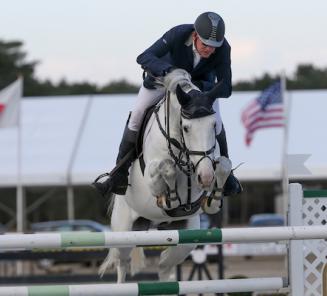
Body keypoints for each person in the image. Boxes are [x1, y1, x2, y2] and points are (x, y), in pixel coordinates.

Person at [93, 11, 242, 197]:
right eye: (206, 44)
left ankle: (227, 176)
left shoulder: (223, 48)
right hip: (163, 82)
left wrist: (202, 90)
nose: (210, 50)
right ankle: (118, 175)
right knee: (137, 114)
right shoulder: (178, 34)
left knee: (216, 121)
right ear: (195, 35)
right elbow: (144, 57)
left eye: (214, 46)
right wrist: (170, 72)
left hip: (199, 91)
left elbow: (226, 87)